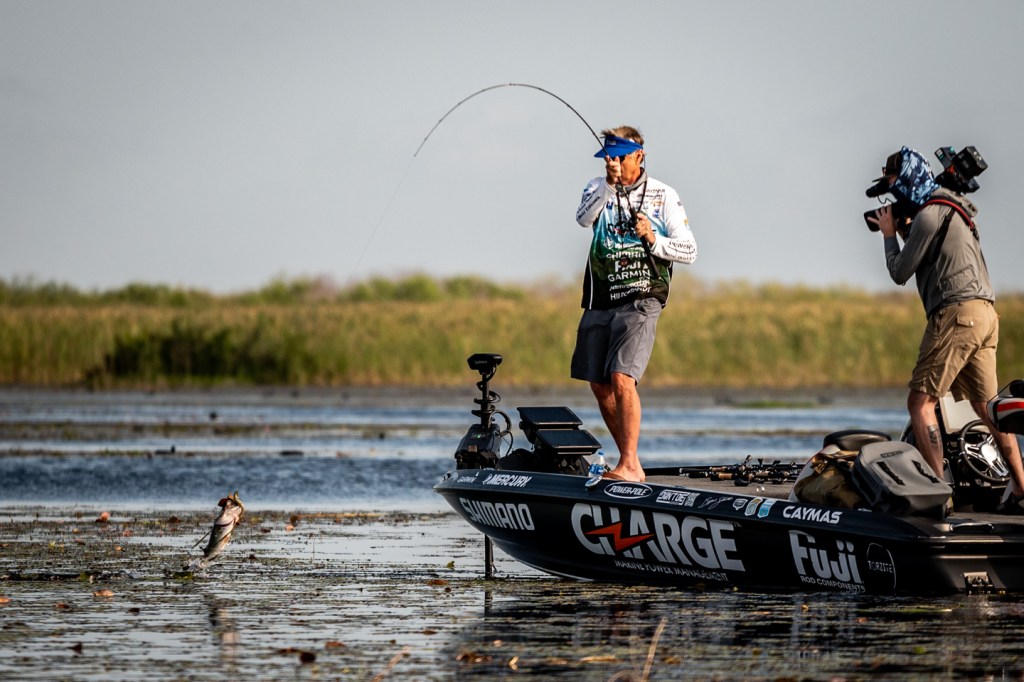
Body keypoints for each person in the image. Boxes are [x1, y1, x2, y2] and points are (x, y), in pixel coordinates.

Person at [868, 145, 1024, 513]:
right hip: (985, 315)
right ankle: (1021, 489)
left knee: (920, 402)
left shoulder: (928, 215)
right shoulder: (953, 209)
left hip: (956, 314)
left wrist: (889, 233)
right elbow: (934, 253)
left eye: (892, 184)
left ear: (905, 179)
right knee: (988, 409)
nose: (891, 194)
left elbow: (899, 272)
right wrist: (905, 228)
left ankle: (936, 497)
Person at [571, 126, 697, 482]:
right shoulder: (596, 187)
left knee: (622, 376)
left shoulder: (664, 195)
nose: (612, 163)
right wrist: (609, 186)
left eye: (620, 157)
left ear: (639, 155)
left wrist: (654, 239)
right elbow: (583, 219)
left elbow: (689, 250)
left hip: (643, 295)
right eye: (608, 157)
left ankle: (627, 464)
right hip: (600, 296)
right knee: (599, 384)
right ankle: (632, 463)